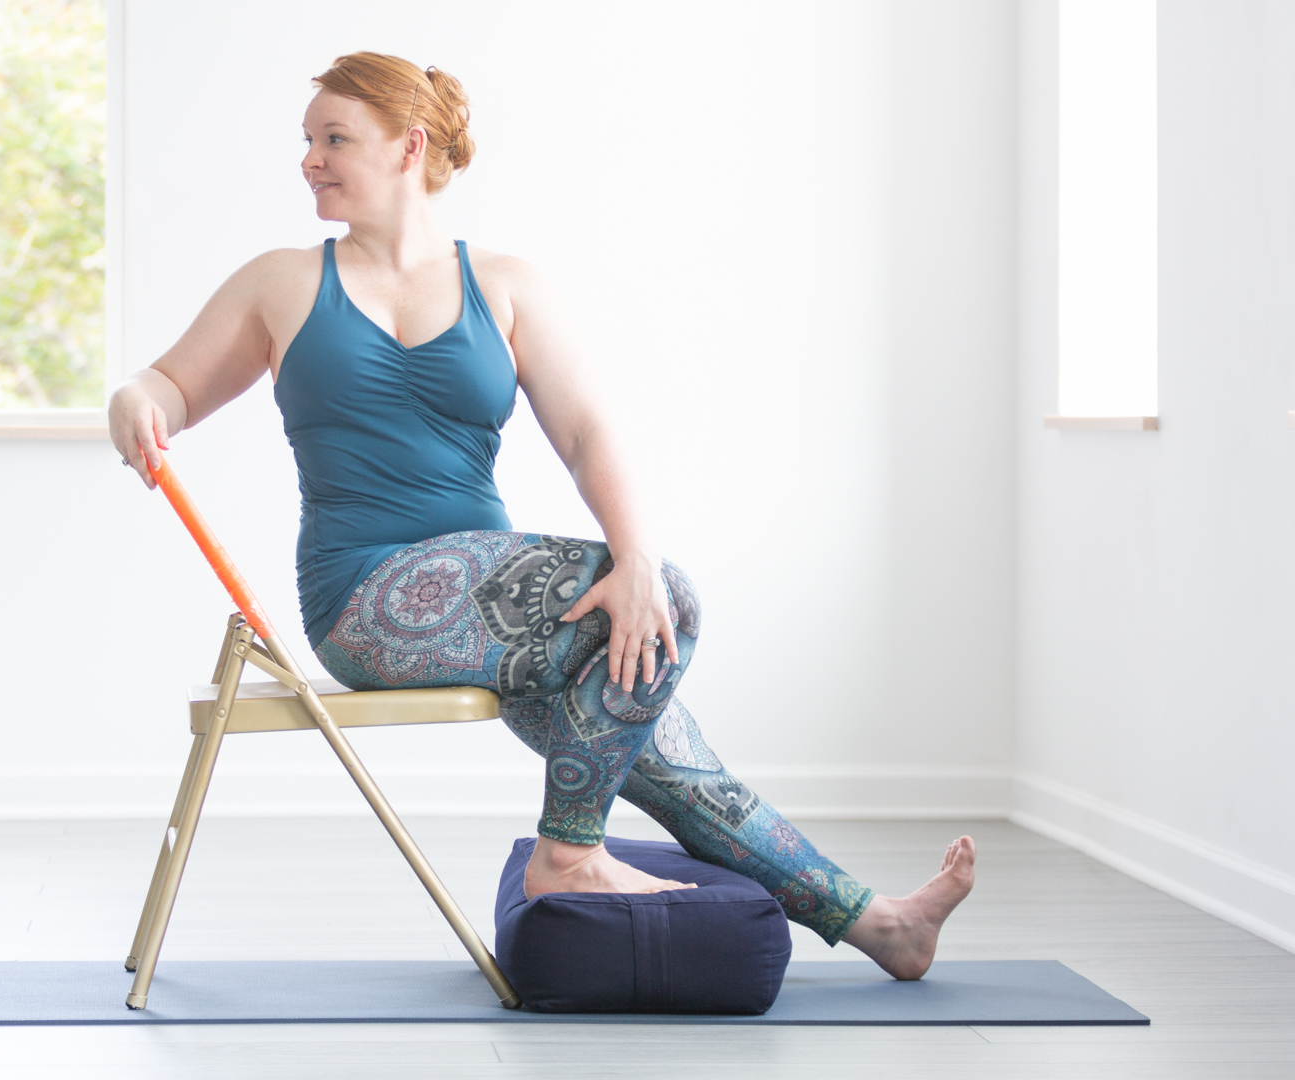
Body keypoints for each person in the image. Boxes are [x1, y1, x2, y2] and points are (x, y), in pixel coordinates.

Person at [109, 52, 974, 980]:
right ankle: (569, 855)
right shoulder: (279, 284)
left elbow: (587, 431)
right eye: (308, 141)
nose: (310, 159)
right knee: (663, 606)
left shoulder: (505, 283)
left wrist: (633, 557)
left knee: (678, 759)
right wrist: (134, 398)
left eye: (334, 139)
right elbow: (167, 386)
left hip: (501, 596)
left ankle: (884, 926)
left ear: (409, 147)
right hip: (367, 598)